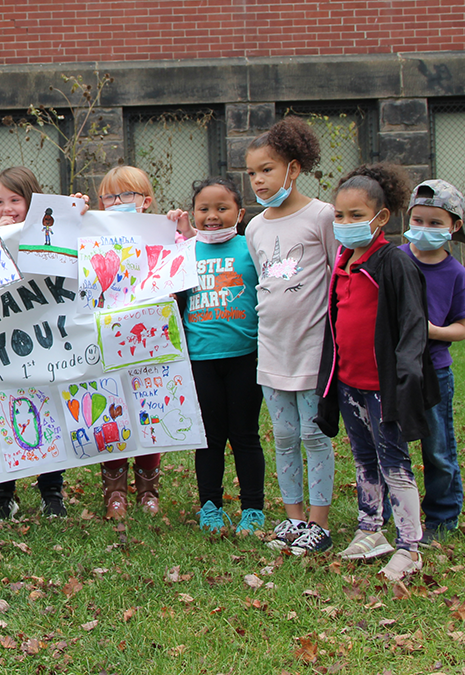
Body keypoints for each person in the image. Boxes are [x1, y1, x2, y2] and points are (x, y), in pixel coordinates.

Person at [313, 164, 438, 581]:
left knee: (394, 464)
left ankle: (409, 546)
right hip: (349, 383)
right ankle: (371, 528)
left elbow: (412, 326)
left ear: (381, 218)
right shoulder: (344, 262)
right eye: (339, 216)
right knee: (364, 459)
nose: (345, 224)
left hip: (385, 388)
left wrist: (404, 382)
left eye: (356, 216)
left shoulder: (394, 264)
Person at [244, 116, 337, 555]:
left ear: (293, 169)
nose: (259, 180)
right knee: (283, 437)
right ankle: (293, 517)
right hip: (272, 349)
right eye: (252, 173)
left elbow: (339, 277)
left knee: (313, 435)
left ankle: (318, 523)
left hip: (314, 349)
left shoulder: (321, 216)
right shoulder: (255, 228)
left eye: (267, 169)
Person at [168, 177, 266, 533]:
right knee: (209, 438)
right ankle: (209, 506)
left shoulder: (250, 249)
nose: (212, 216)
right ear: (192, 213)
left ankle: (253, 508)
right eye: (204, 209)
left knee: (245, 435)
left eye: (222, 208)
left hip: (246, 358)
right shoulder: (184, 252)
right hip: (201, 361)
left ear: (239, 214)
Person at [0, 166, 67, 519]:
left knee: (49, 414)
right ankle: (3, 497)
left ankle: (52, 494)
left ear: (33, 200)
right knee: (1, 414)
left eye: (15, 200)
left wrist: (73, 209)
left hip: (42, 344)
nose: (6, 208)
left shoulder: (50, 232)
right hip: (1, 347)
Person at [400, 180, 465, 544]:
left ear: (454, 226)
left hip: (434, 371)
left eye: (434, 223)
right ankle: (393, 511)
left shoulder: (455, 273)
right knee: (392, 443)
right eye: (418, 220)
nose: (424, 230)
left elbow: (462, 329)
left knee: (438, 445)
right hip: (395, 368)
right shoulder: (395, 260)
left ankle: (442, 517)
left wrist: (429, 330)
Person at [94, 165, 163, 519]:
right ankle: (114, 490)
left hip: (150, 345)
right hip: (106, 342)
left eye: (127, 196)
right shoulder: (91, 236)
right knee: (111, 413)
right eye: (110, 196)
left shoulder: (162, 236)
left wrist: (180, 229)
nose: (117, 202)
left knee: (147, 414)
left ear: (146, 201)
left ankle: (148, 488)